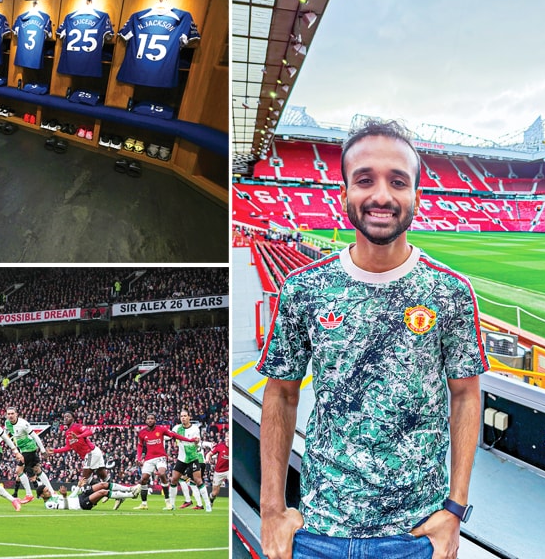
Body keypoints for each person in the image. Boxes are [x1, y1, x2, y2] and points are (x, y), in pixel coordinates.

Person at [257, 119, 489, 559]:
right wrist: (272, 510)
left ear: (416, 195)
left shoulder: (450, 292)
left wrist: (455, 510)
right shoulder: (303, 288)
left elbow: (465, 396)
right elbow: (281, 394)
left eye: (397, 181)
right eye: (365, 179)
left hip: (417, 536)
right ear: (344, 191)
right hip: (317, 532)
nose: (381, 195)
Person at [132, 412, 196, 510]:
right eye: (148, 418)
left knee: (162, 473)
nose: (150, 420)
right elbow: (140, 445)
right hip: (149, 458)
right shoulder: (142, 432)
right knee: (144, 478)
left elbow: (175, 435)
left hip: (160, 457)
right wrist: (139, 457)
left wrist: (190, 440)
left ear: (155, 420)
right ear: (146, 420)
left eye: (152, 418)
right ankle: (144, 504)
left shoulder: (161, 429)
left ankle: (168, 503)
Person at [47, 412, 109, 491]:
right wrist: (55, 451)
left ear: (73, 418)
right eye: (64, 416)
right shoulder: (67, 433)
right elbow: (68, 447)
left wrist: (78, 436)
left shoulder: (77, 426)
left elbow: (89, 432)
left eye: (68, 416)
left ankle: (82, 494)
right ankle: (115, 493)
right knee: (103, 476)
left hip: (91, 452)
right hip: (92, 453)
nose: (65, 418)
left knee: (85, 478)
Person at [5, 406, 53, 503]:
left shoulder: (23, 424)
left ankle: (29, 495)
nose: (10, 416)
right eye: (8, 414)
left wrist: (43, 450)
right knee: (37, 470)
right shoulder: (7, 423)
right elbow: (8, 434)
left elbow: (35, 436)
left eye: (12, 413)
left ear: (16, 414)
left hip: (29, 448)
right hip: (23, 450)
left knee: (18, 471)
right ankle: (52, 491)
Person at [166, 409, 212, 511]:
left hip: (192, 458)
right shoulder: (177, 428)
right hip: (181, 459)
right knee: (174, 479)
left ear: (189, 417)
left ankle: (207, 504)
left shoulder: (195, 429)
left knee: (198, 481)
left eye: (185, 416)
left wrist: (196, 442)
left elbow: (196, 444)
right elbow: (168, 436)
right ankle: (172, 505)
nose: (183, 418)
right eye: (181, 416)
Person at [37, 482, 141, 511]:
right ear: (41, 495)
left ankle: (130, 488)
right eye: (46, 492)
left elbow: (70, 498)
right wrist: (64, 496)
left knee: (102, 484)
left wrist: (78, 487)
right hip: (81, 505)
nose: (49, 492)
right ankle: (132, 495)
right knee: (103, 492)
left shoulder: (53, 496)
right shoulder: (49, 504)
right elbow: (65, 507)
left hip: (79, 497)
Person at [204, 431, 229, 504]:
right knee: (215, 493)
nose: (227, 439)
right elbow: (209, 454)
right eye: (227, 438)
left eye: (229, 438)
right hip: (219, 471)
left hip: (229, 470)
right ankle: (211, 498)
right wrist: (207, 459)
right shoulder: (220, 446)